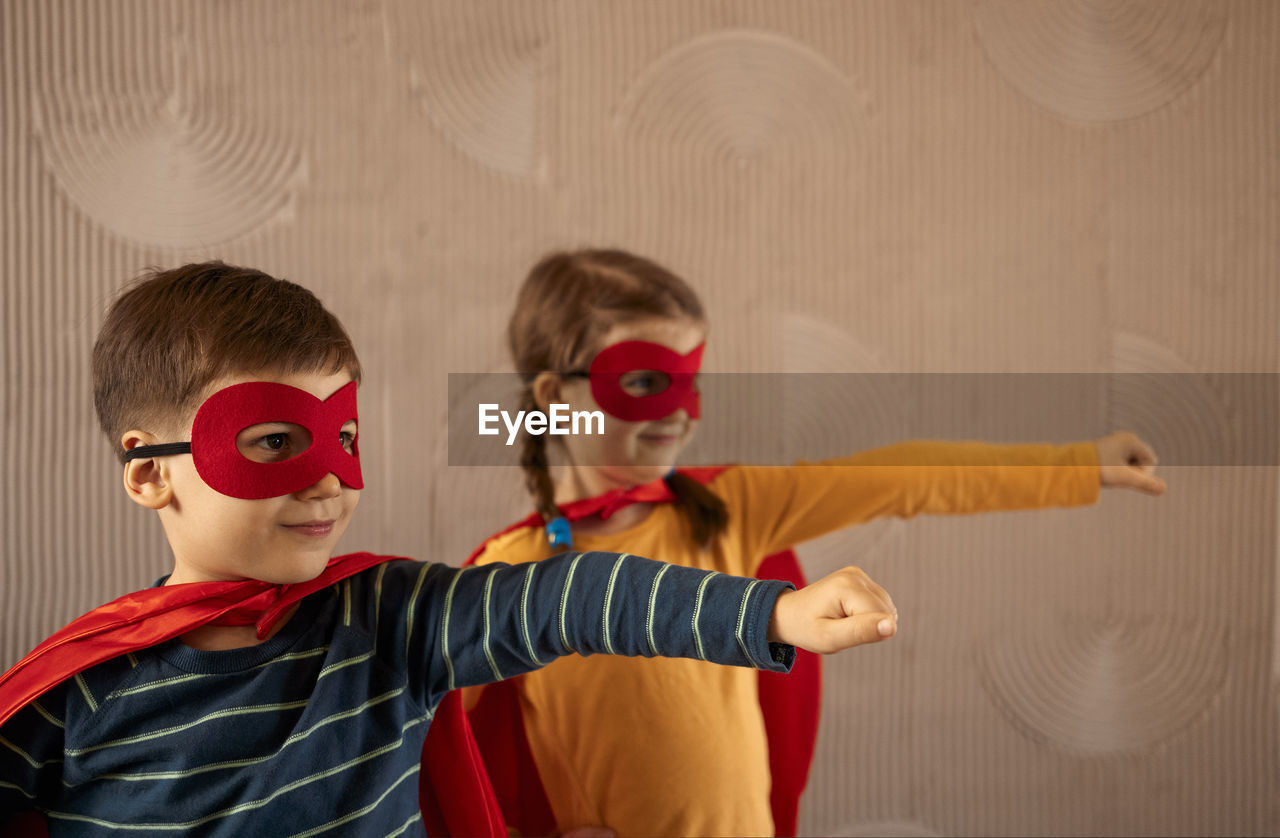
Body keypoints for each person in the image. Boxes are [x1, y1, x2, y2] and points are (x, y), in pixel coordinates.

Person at [0, 261, 902, 838]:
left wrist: (772, 612)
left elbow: (568, 599)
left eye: (342, 439)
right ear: (150, 474)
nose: (329, 482)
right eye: (275, 442)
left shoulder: (394, 617)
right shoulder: (76, 694)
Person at [463, 247, 1167, 838]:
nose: (679, 410)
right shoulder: (508, 575)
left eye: (691, 379)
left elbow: (904, 476)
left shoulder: (731, 511)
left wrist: (1077, 466)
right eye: (647, 381)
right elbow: (433, 747)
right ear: (556, 395)